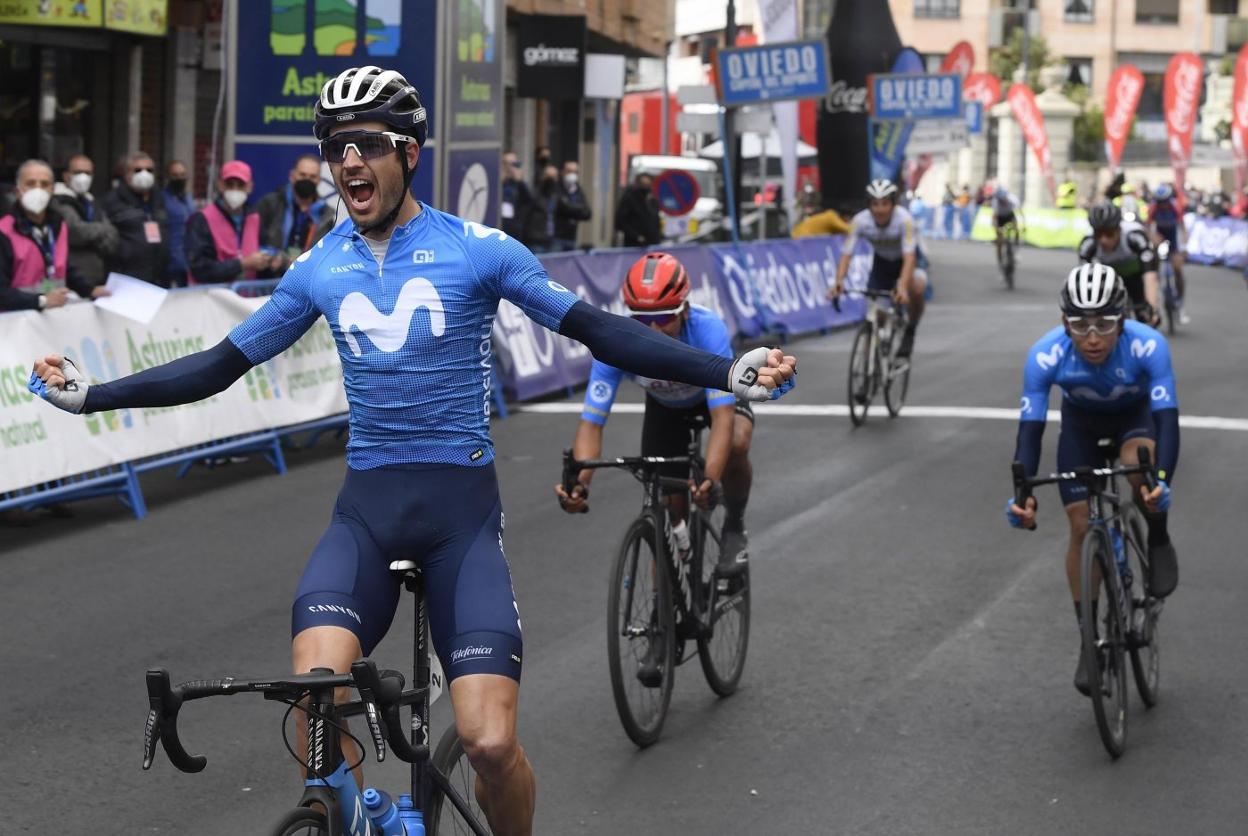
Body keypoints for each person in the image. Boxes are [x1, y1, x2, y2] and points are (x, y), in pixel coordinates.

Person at [28, 65, 796, 836]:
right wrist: (95, 394)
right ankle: (361, 813)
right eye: (335, 148)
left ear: (409, 152)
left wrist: (726, 371)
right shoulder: (320, 268)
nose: (348, 162)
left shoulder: (479, 250)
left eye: (366, 144)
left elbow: (600, 329)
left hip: (460, 524)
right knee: (313, 693)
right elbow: (217, 367)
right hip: (366, 516)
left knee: (492, 744)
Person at [1006, 263, 1179, 696]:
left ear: (1124, 318)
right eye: (1080, 325)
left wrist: (1160, 482)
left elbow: (1167, 422)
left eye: (1105, 322)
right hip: (1080, 428)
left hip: (1133, 422)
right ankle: (1089, 639)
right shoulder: (1046, 354)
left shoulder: (1148, 346)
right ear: (1064, 322)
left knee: (1139, 469)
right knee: (1081, 525)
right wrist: (1022, 496)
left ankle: (1156, 534)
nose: (1093, 336)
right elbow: (1030, 432)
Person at [557, 251, 757, 589]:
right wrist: (581, 481)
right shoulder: (614, 342)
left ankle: (734, 526)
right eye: (641, 318)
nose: (653, 328)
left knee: (737, 440)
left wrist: (710, 479)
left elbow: (722, 416)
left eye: (664, 317)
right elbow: (592, 421)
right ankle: (664, 614)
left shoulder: (707, 329)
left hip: (712, 398)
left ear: (685, 309)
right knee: (669, 515)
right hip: (666, 409)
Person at [828, 179, 927, 359]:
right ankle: (869, 366)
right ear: (869, 205)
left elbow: (909, 257)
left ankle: (910, 329)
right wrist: (839, 281)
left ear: (893, 204)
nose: (879, 209)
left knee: (917, 289)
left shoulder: (904, 220)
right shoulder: (860, 221)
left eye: (885, 204)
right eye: (875, 204)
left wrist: (903, 287)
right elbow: (846, 253)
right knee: (876, 316)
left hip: (908, 261)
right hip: (882, 263)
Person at [1, 159, 107, 311]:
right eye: (30, 184)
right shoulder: (5, 231)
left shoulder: (58, 225)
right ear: (18, 191)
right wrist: (42, 301)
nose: (38, 190)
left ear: (52, 190)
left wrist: (89, 290)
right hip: (17, 321)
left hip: (52, 317)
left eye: (44, 184)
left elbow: (63, 266)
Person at [184, 160, 278, 284]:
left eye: (240, 185)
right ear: (220, 185)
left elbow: (263, 254)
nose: (235, 190)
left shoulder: (254, 218)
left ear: (250, 187)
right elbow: (200, 269)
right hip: (212, 298)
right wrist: (242, 264)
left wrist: (271, 261)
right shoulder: (202, 219)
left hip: (246, 297)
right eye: (230, 184)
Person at [1078, 201, 1161, 325]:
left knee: (1145, 317)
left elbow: (1150, 275)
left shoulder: (1134, 236)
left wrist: (1152, 309)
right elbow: (1085, 281)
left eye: (1109, 234)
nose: (1103, 240)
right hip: (1111, 278)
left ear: (1119, 229)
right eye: (1098, 234)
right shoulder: (1088, 243)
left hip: (1137, 276)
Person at [102, 150, 171, 286]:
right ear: (127, 174)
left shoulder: (160, 199)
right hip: (127, 278)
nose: (144, 174)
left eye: (149, 170)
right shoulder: (113, 201)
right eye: (138, 170)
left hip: (158, 277)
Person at [51, 153, 118, 290]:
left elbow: (113, 235)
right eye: (77, 172)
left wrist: (96, 231)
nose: (83, 177)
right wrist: (102, 230)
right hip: (73, 281)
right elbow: (76, 232)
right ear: (66, 176)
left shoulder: (91, 202)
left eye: (88, 173)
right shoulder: (58, 201)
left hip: (97, 278)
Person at [256, 153, 335, 268]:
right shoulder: (270, 204)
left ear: (318, 180)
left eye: (312, 177)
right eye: (302, 175)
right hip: (268, 278)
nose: (307, 180)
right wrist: (278, 257)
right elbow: (254, 243)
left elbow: (326, 255)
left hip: (305, 279)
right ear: (292, 175)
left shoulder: (326, 215)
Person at [1146, 183, 1189, 325]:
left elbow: (1182, 228)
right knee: (1154, 264)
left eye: (1164, 202)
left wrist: (1184, 247)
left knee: (1177, 269)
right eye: (1160, 202)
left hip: (1173, 237)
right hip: (1160, 236)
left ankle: (1180, 304)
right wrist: (1153, 239)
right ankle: (1156, 294)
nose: (1162, 205)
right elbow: (1147, 227)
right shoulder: (1153, 207)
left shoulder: (1175, 206)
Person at [163, 160, 196, 287]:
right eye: (175, 175)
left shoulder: (189, 199)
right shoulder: (162, 200)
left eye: (182, 175)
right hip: (169, 262)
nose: (179, 178)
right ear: (168, 177)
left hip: (188, 261)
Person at [615, 172, 662, 248]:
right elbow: (620, 222)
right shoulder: (629, 199)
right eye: (644, 185)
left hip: (652, 244)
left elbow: (656, 221)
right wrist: (637, 237)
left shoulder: (652, 200)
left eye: (648, 185)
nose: (646, 188)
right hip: (634, 245)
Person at [553, 160, 591, 251]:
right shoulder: (556, 188)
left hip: (572, 237)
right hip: (557, 237)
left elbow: (587, 213)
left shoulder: (577, 190)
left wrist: (570, 208)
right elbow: (561, 207)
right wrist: (577, 209)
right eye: (569, 171)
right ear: (562, 172)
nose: (572, 175)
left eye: (575, 172)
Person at [523, 164, 559, 253]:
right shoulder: (534, 193)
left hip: (552, 240)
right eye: (548, 176)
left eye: (553, 177)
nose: (550, 180)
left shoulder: (557, 195)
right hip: (536, 240)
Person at [500, 150, 534, 244]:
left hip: (515, 229)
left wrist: (520, 182)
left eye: (514, 164)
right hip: (499, 227)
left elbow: (529, 201)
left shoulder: (518, 184)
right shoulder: (499, 182)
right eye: (507, 164)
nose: (510, 167)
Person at [991, 183, 1020, 265]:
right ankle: (1000, 260)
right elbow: (994, 218)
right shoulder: (995, 202)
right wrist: (996, 229)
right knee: (999, 239)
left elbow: (1020, 213)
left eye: (1003, 199)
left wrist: (1022, 226)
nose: (1002, 201)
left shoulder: (1013, 199)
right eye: (1000, 200)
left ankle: (1016, 250)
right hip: (1000, 217)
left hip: (1009, 215)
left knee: (1017, 229)